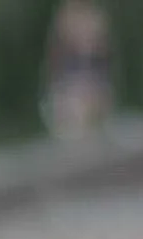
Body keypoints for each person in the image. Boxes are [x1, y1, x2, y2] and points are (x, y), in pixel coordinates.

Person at [43, 0, 116, 138]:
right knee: (76, 127)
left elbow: (104, 53)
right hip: (72, 81)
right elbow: (56, 59)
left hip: (94, 78)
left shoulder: (96, 17)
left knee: (98, 123)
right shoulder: (64, 19)